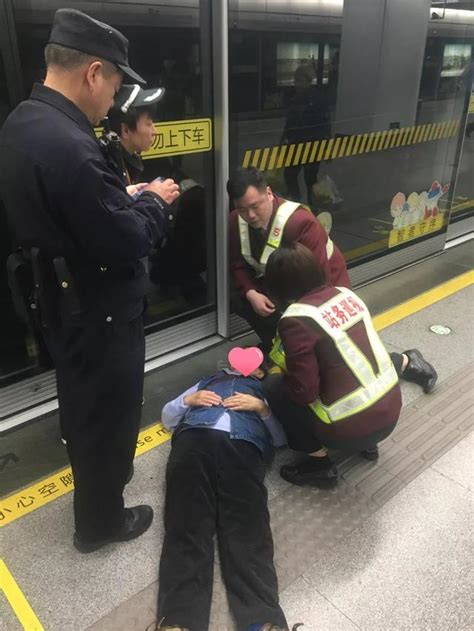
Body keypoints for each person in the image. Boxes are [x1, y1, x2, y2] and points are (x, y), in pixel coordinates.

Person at [0, 9, 180, 552]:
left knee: (81, 406)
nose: (113, 100)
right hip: (100, 309)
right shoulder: (74, 148)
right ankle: (101, 524)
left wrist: (114, 203)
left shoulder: (23, 122)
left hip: (60, 302)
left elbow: (68, 213)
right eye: (117, 85)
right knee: (110, 413)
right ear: (93, 72)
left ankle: (93, 503)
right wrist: (154, 201)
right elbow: (127, 240)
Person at [263, 244, 436, 488]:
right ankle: (368, 446)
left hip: (347, 430)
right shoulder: (345, 294)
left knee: (274, 387)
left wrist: (282, 371)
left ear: (278, 286)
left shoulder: (295, 320)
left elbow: (304, 393)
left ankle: (320, 465)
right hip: (390, 411)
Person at [155, 350, 290, 631]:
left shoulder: (263, 393)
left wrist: (262, 409)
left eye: (254, 367)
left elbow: (279, 439)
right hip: (194, 441)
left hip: (243, 447)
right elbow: (167, 416)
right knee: (185, 524)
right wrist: (187, 400)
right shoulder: (206, 381)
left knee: (248, 527)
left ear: (260, 373)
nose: (239, 368)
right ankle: (179, 622)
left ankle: (262, 620)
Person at [228, 167, 349, 352]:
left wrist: (297, 313)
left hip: (325, 286)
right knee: (238, 298)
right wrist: (251, 293)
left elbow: (320, 281)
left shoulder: (301, 221)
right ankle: (276, 345)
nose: (250, 215)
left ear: (268, 193)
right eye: (242, 209)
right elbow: (237, 264)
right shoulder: (236, 220)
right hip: (280, 283)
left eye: (255, 206)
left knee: (325, 348)